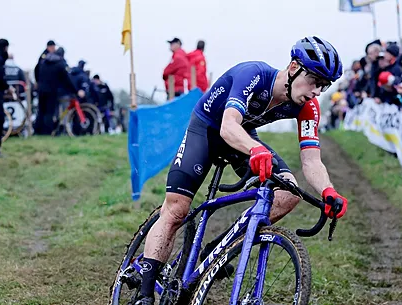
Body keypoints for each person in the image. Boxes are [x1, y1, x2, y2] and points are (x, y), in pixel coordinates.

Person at [134, 36, 349, 305]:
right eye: (315, 81)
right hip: (208, 130)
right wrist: (256, 150)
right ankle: (143, 292)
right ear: (294, 67)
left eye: (324, 86)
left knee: (288, 193)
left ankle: (219, 248)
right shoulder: (254, 75)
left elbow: (312, 161)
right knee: (177, 209)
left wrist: (328, 190)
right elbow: (228, 125)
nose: (317, 91)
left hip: (242, 137)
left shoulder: (308, 107)